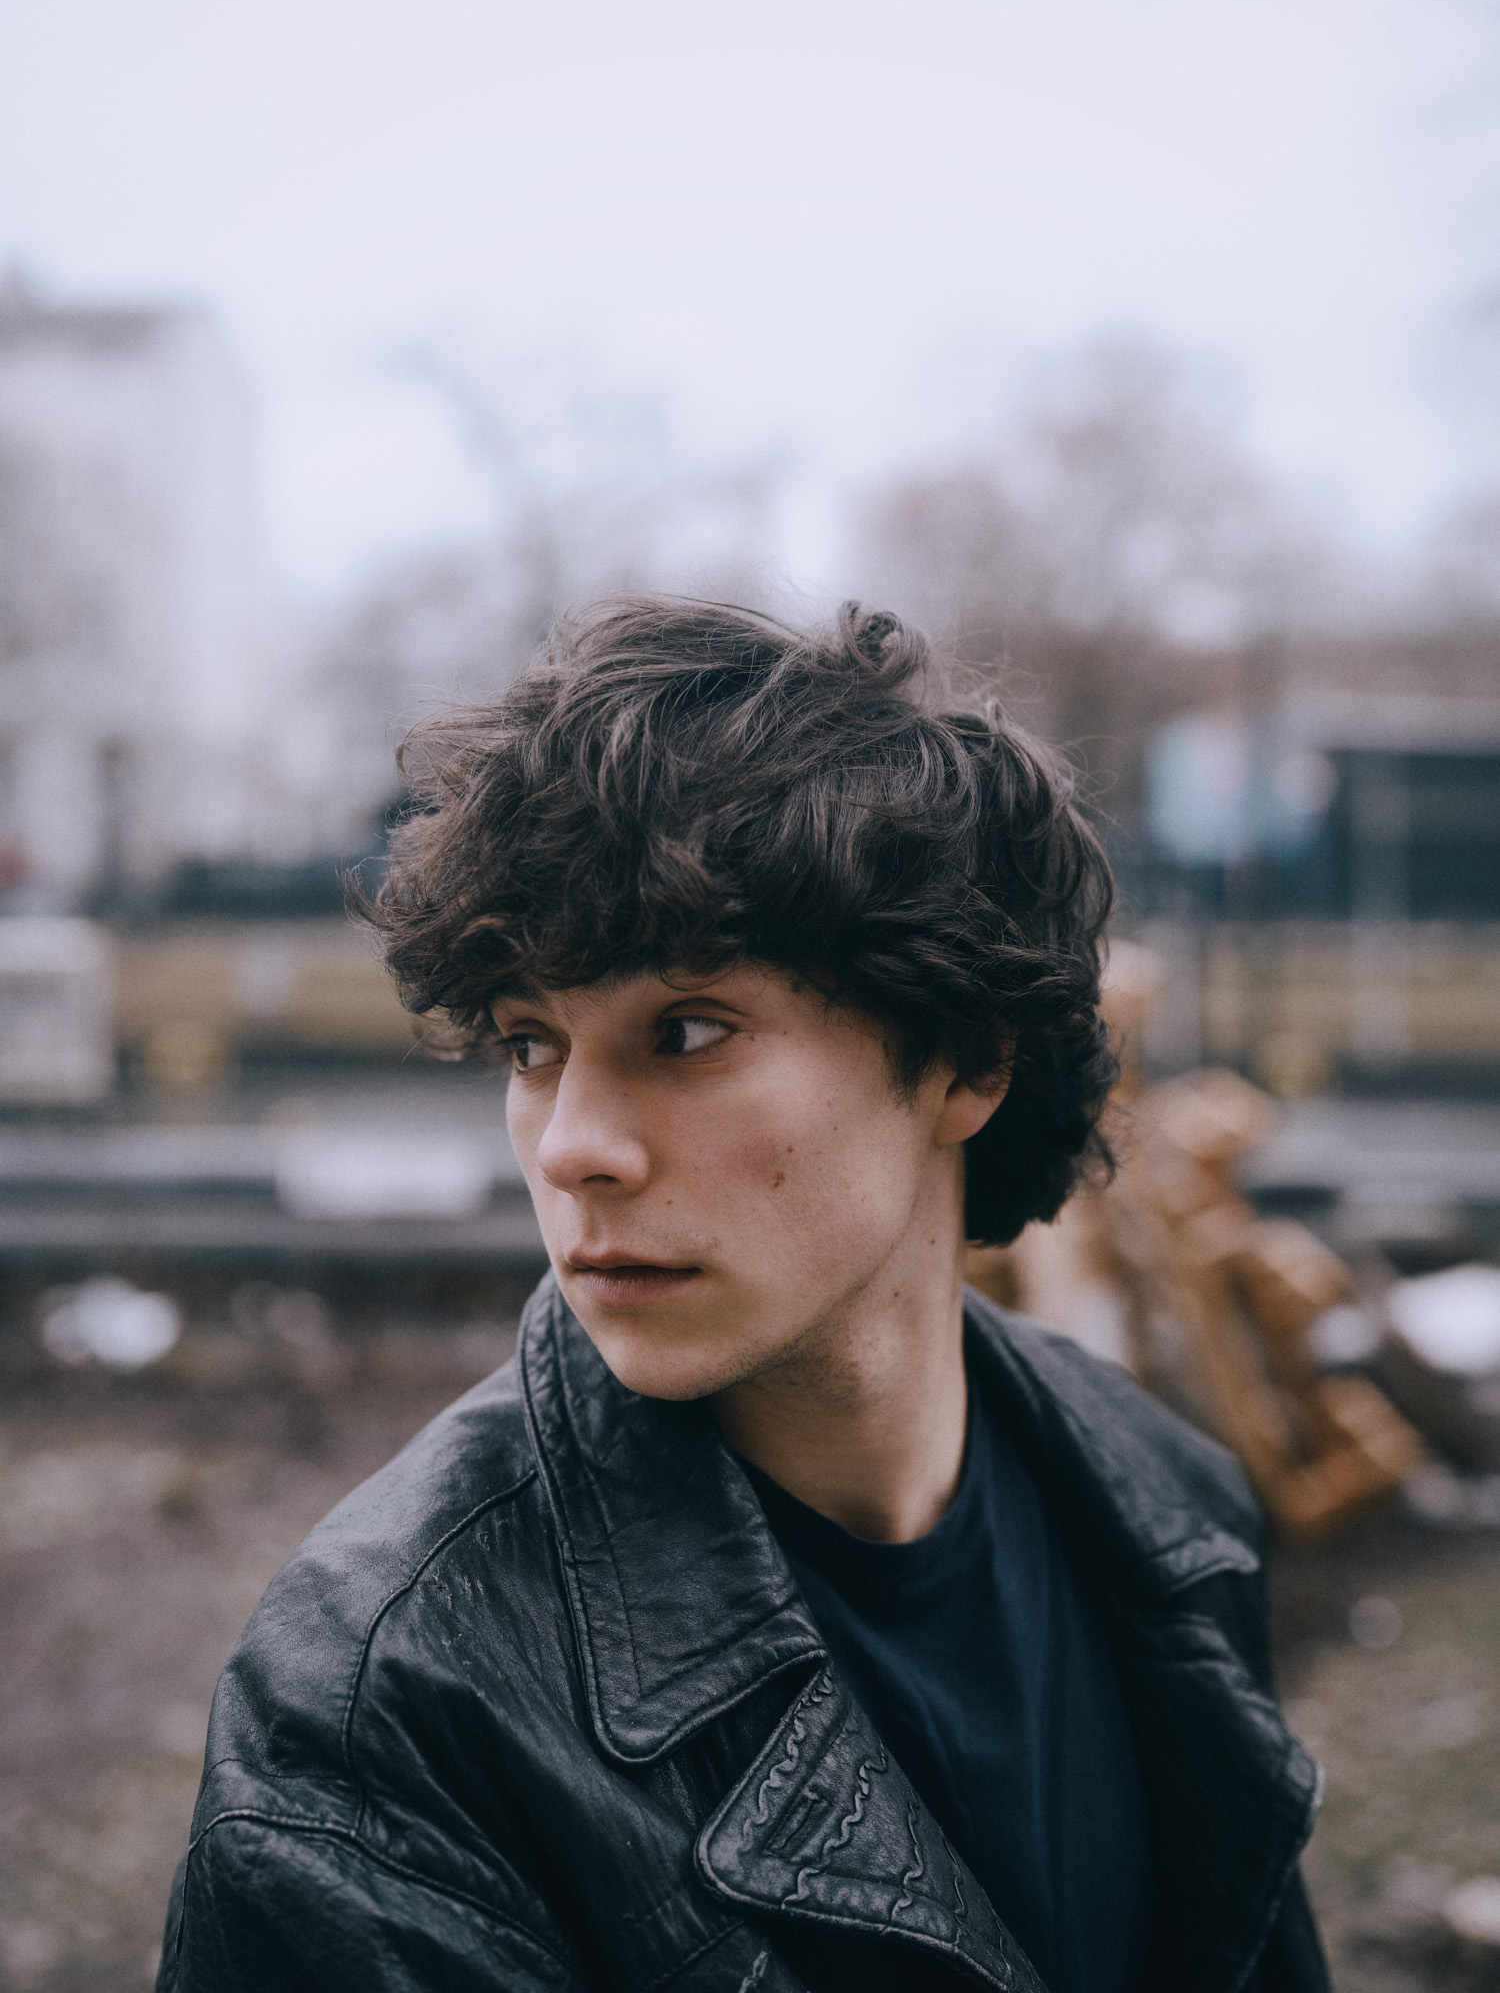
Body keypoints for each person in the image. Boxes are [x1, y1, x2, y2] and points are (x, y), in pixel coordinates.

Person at [158, 599, 1329, 1993]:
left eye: (687, 1029)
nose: (572, 1146)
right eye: (530, 1045)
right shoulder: (387, 1709)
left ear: (966, 1060)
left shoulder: (1168, 1510)